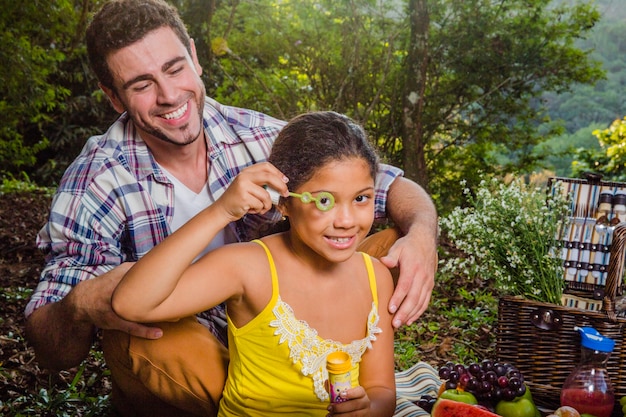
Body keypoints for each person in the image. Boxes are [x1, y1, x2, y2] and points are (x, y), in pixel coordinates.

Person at [24, 0, 437, 415]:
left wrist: (422, 235)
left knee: (393, 243)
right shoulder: (96, 182)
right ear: (114, 97)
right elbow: (51, 347)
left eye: (174, 68)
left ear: (195, 57)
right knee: (136, 333)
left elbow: (384, 184)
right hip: (192, 348)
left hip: (281, 317)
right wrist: (79, 304)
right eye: (141, 84)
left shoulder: (258, 136)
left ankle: (331, 378)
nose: (169, 96)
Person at [112, 111, 397, 416]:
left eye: (361, 199)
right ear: (284, 202)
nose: (346, 221)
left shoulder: (375, 276)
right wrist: (221, 211)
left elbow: (381, 388)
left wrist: (369, 410)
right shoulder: (250, 267)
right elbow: (131, 304)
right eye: (324, 201)